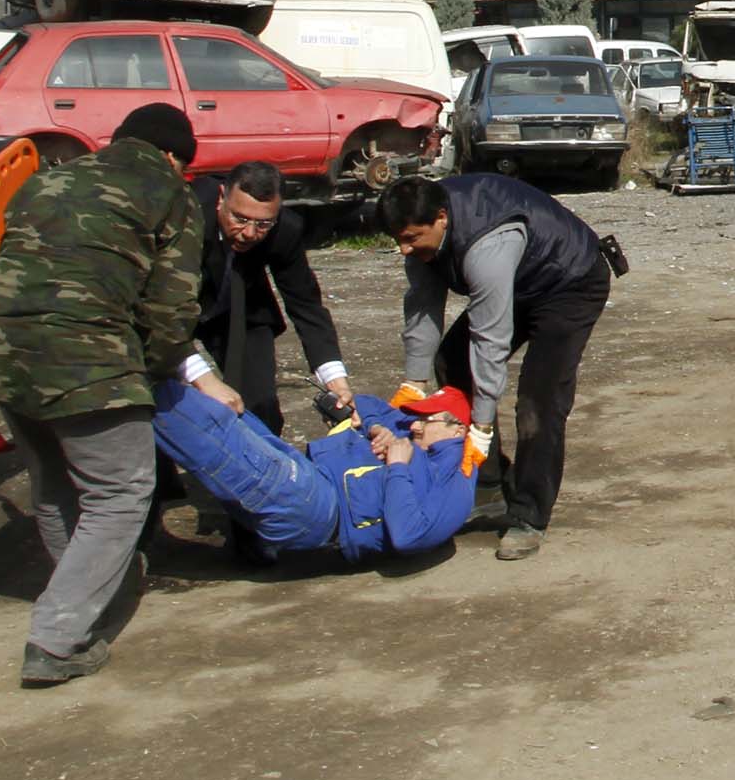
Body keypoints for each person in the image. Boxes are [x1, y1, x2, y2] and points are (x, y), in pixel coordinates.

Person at [0, 104, 242, 686]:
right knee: (119, 492)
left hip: (0, 348)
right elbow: (171, 307)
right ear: (175, 157)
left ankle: (86, 598)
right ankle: (58, 639)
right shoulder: (170, 191)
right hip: (85, 354)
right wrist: (152, 371)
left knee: (55, 483)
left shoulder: (50, 176)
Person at [375, 173, 613, 563]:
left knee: (539, 401)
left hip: (569, 283)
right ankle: (486, 485)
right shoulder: (421, 241)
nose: (404, 249)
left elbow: (490, 342)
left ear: (441, 218)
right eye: (398, 239)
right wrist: (414, 381)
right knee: (450, 360)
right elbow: (422, 307)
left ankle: (529, 513)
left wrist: (482, 425)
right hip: (520, 282)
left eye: (412, 238)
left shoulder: (488, 245)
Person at [159, 160, 352, 566]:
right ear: (221, 199)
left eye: (263, 224)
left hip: (242, 309)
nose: (249, 233)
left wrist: (333, 376)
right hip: (169, 307)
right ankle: (155, 500)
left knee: (259, 406)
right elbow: (156, 309)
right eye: (239, 219)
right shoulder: (183, 211)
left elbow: (305, 302)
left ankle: (252, 530)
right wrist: (201, 376)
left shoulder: (285, 230)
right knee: (154, 401)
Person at [150, 384, 482, 560]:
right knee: (228, 409)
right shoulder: (412, 433)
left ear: (457, 431)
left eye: (426, 419)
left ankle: (131, 377)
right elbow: (366, 406)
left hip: (322, 510)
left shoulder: (455, 482)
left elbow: (410, 536)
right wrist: (376, 428)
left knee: (200, 425)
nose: (414, 424)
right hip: (309, 473)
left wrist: (397, 467)